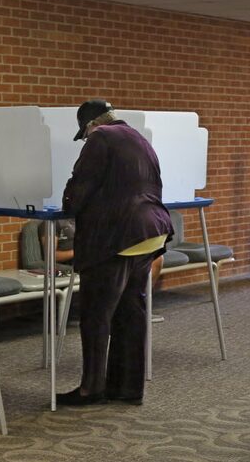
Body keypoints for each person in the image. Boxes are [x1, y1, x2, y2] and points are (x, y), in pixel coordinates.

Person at [57, 99, 173, 406]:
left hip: (117, 237)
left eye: (82, 135)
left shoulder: (101, 138)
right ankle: (127, 388)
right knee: (130, 313)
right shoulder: (138, 139)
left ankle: (91, 389)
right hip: (150, 232)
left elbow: (81, 185)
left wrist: (68, 204)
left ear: (90, 126)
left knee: (96, 314)